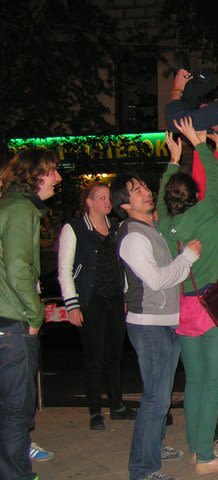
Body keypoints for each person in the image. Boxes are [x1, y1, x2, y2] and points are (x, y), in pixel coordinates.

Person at [111, 172, 202, 480]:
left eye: (144, 186)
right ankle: (143, 469)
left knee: (159, 395)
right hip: (149, 324)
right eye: (136, 191)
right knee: (155, 397)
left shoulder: (150, 229)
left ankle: (154, 446)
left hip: (164, 321)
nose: (145, 192)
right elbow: (157, 279)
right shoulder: (134, 236)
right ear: (124, 204)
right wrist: (188, 257)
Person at [157, 118, 218, 474]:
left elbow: (164, 197)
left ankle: (195, 446)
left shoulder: (164, 224)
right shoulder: (206, 213)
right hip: (212, 306)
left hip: (184, 308)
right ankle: (204, 455)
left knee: (194, 383)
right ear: (194, 196)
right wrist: (197, 143)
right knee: (213, 384)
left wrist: (175, 160)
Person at [0, 148, 61, 480]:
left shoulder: (6, 205)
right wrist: (35, 314)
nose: (58, 178)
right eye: (53, 171)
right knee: (15, 415)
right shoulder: (21, 209)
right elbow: (18, 269)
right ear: (35, 175)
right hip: (12, 325)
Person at [57, 182, 135, 431]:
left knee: (114, 354)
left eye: (107, 197)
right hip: (90, 299)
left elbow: (121, 264)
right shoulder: (75, 228)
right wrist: (72, 305)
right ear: (89, 202)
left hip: (113, 298)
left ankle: (117, 404)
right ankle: (95, 410)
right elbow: (65, 270)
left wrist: (123, 295)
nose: (106, 201)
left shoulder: (115, 228)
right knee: (94, 355)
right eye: (100, 197)